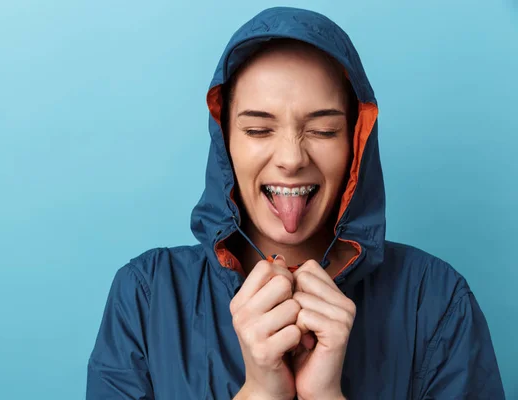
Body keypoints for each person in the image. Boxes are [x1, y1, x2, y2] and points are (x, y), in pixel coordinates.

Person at [86, 6, 505, 400]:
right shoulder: (146, 296)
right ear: (225, 144)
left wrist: (326, 395)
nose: (291, 159)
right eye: (257, 130)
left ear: (356, 145)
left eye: (323, 130)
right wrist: (260, 392)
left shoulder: (435, 301)